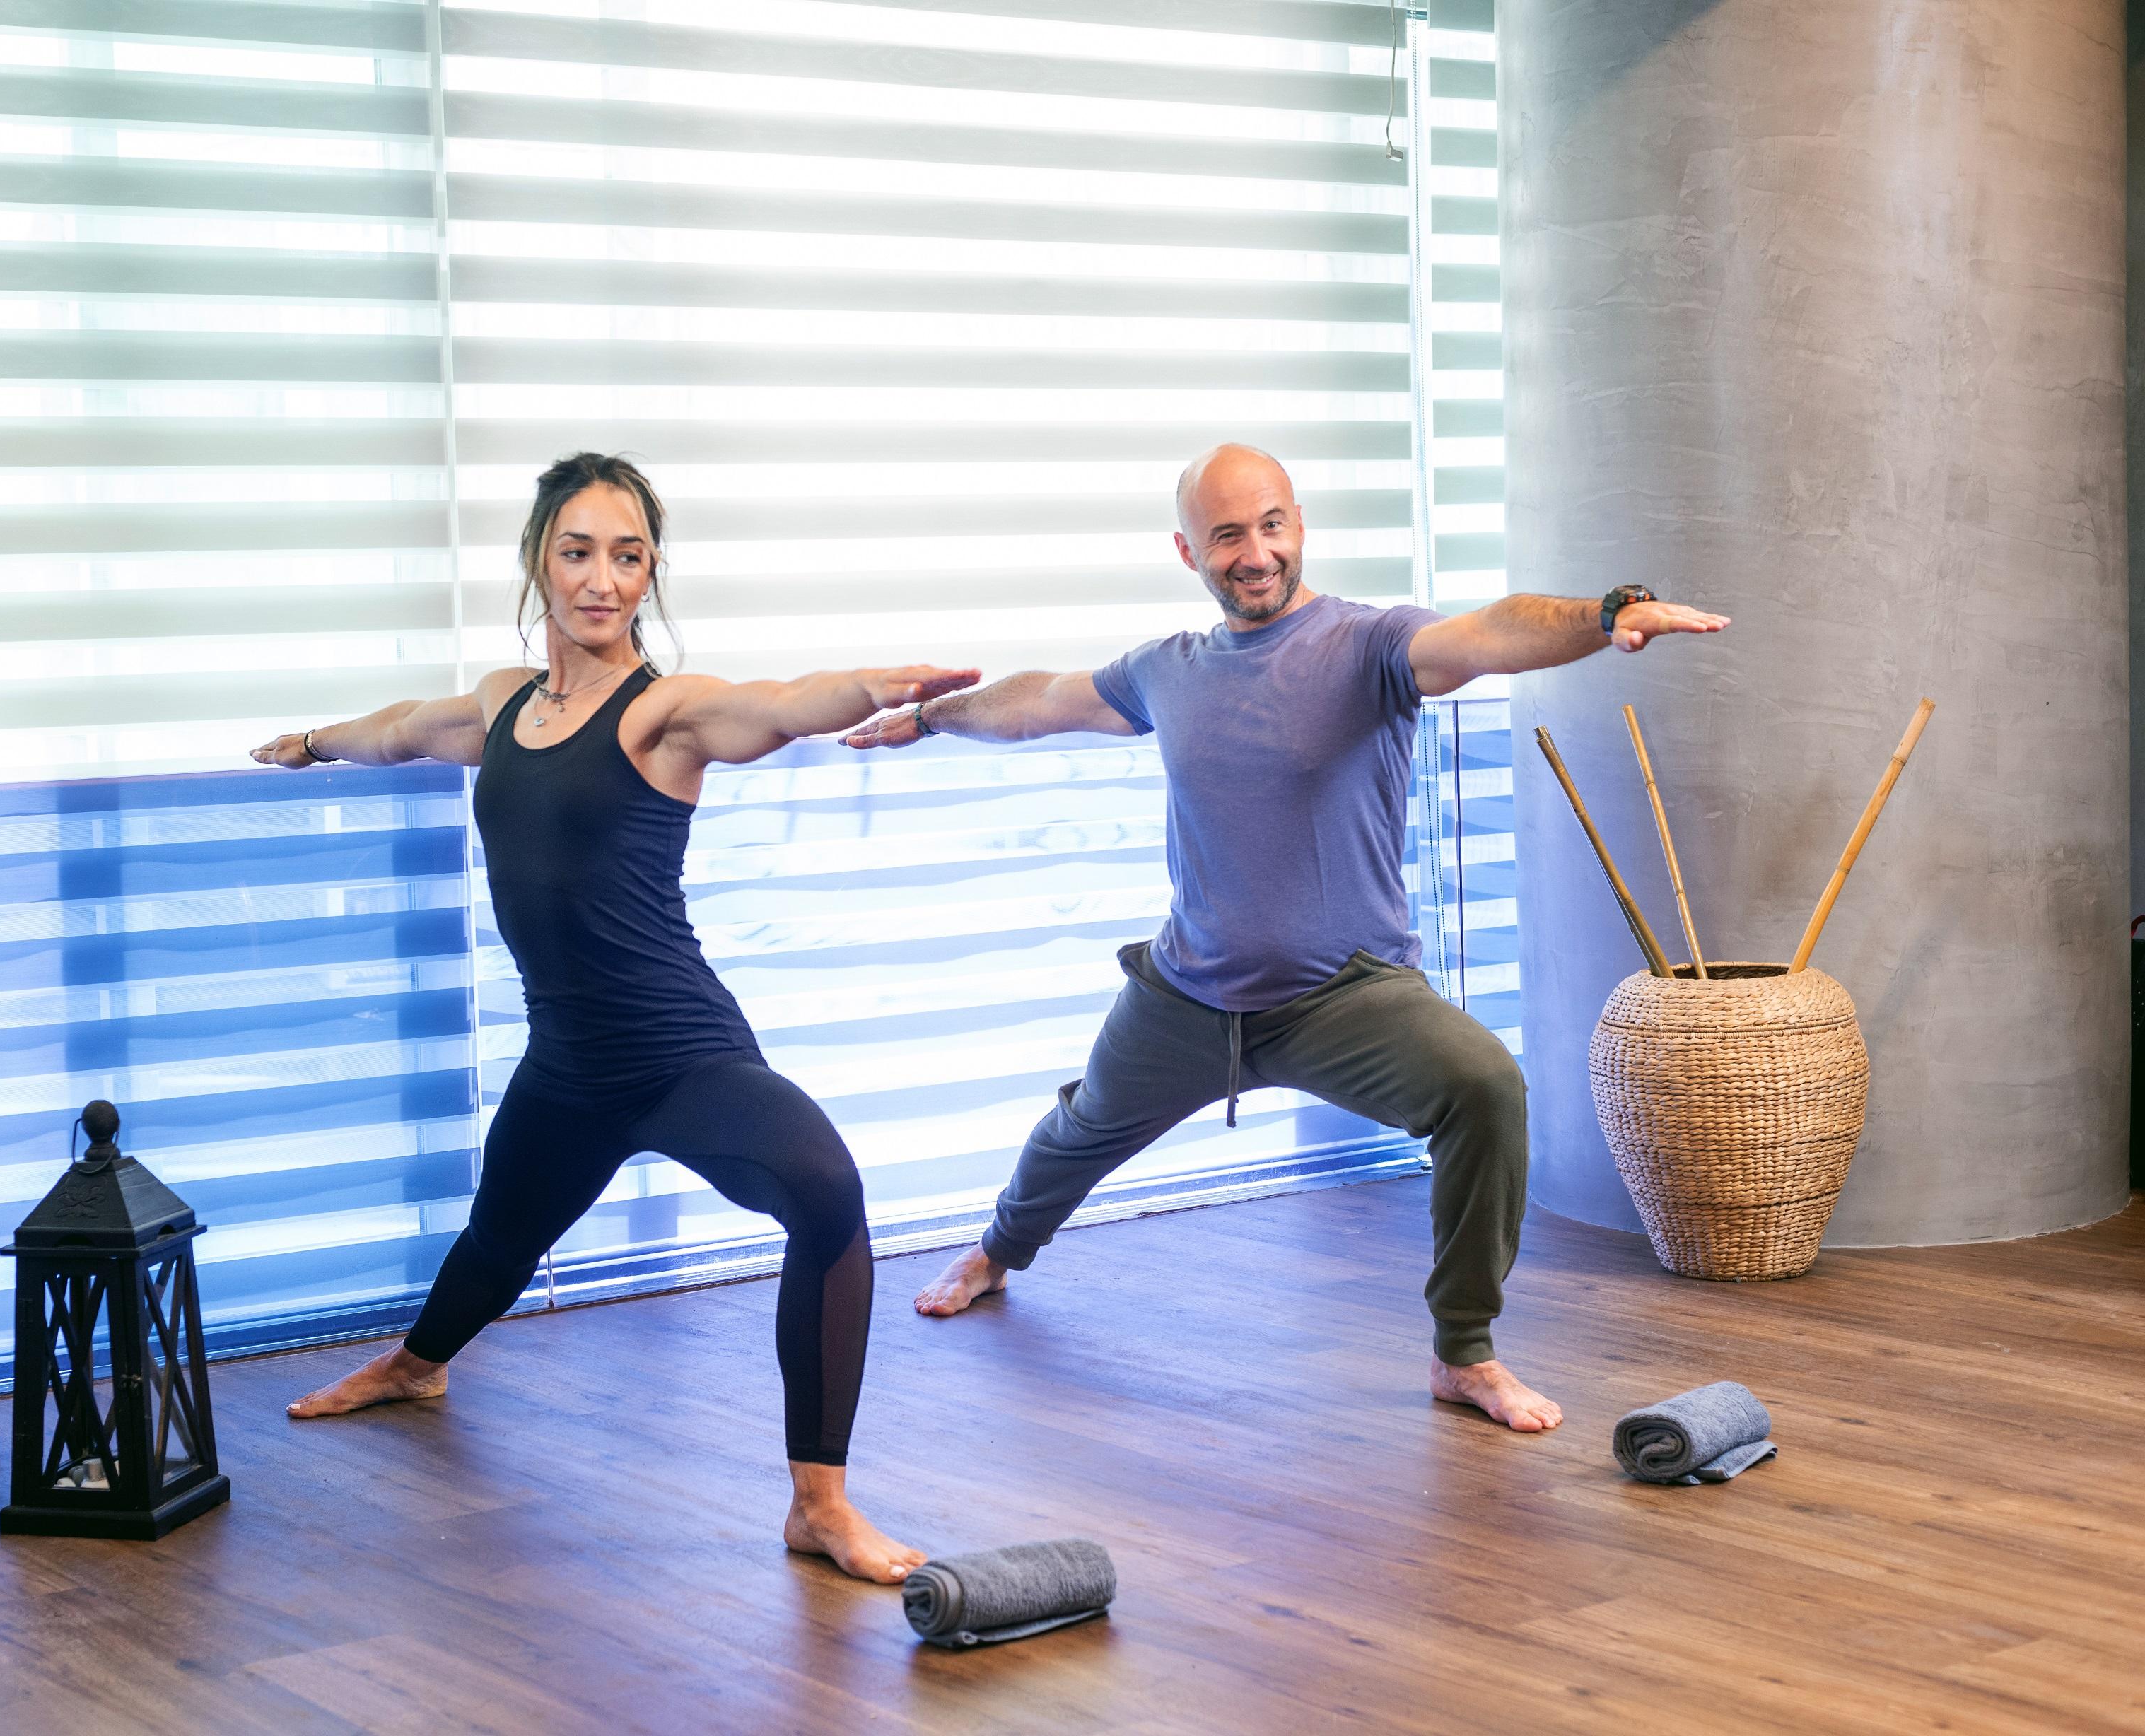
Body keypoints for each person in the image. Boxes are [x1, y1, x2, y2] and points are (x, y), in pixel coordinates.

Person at [844, 443, 1729, 1432]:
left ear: (1299, 525)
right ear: (1190, 550)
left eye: (1270, 526)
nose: (1254, 553)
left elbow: (1489, 633)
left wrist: (1605, 616)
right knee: (1078, 1130)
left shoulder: (1371, 645)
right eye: (1228, 535)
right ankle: (997, 1254)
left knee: (1482, 1086)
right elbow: (1038, 704)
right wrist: (930, 719)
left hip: (1345, 996)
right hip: (1189, 994)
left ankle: (1464, 1353)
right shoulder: (1164, 671)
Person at [253, 452, 975, 1582]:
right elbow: (400, 728)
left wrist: (871, 685)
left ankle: (819, 1504)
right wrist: (311, 742)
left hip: (679, 1056)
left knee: (828, 1195)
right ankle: (417, 1365)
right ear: (540, 560)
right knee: (500, 1238)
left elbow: (776, 708)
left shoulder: (663, 715)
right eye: (578, 551)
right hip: (567, 1065)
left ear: (650, 574)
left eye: (628, 556)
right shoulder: (504, 705)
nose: (602, 579)